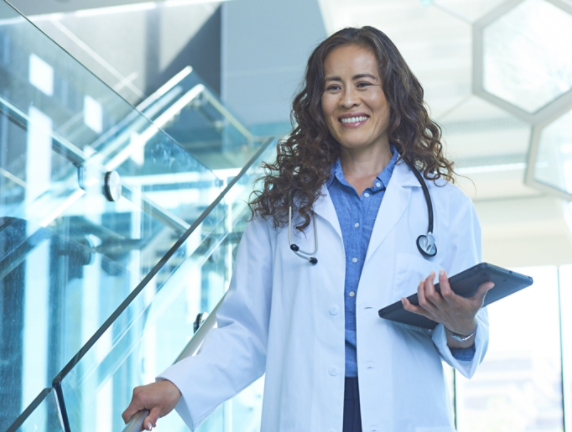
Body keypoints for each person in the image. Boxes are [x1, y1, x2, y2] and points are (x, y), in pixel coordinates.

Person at [122, 26, 493, 432]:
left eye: (364, 84)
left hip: (403, 412)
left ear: (393, 94)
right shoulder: (280, 208)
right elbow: (247, 331)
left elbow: (468, 338)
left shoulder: (445, 206)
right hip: (307, 412)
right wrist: (178, 384)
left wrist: (462, 328)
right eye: (333, 87)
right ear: (318, 103)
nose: (348, 99)